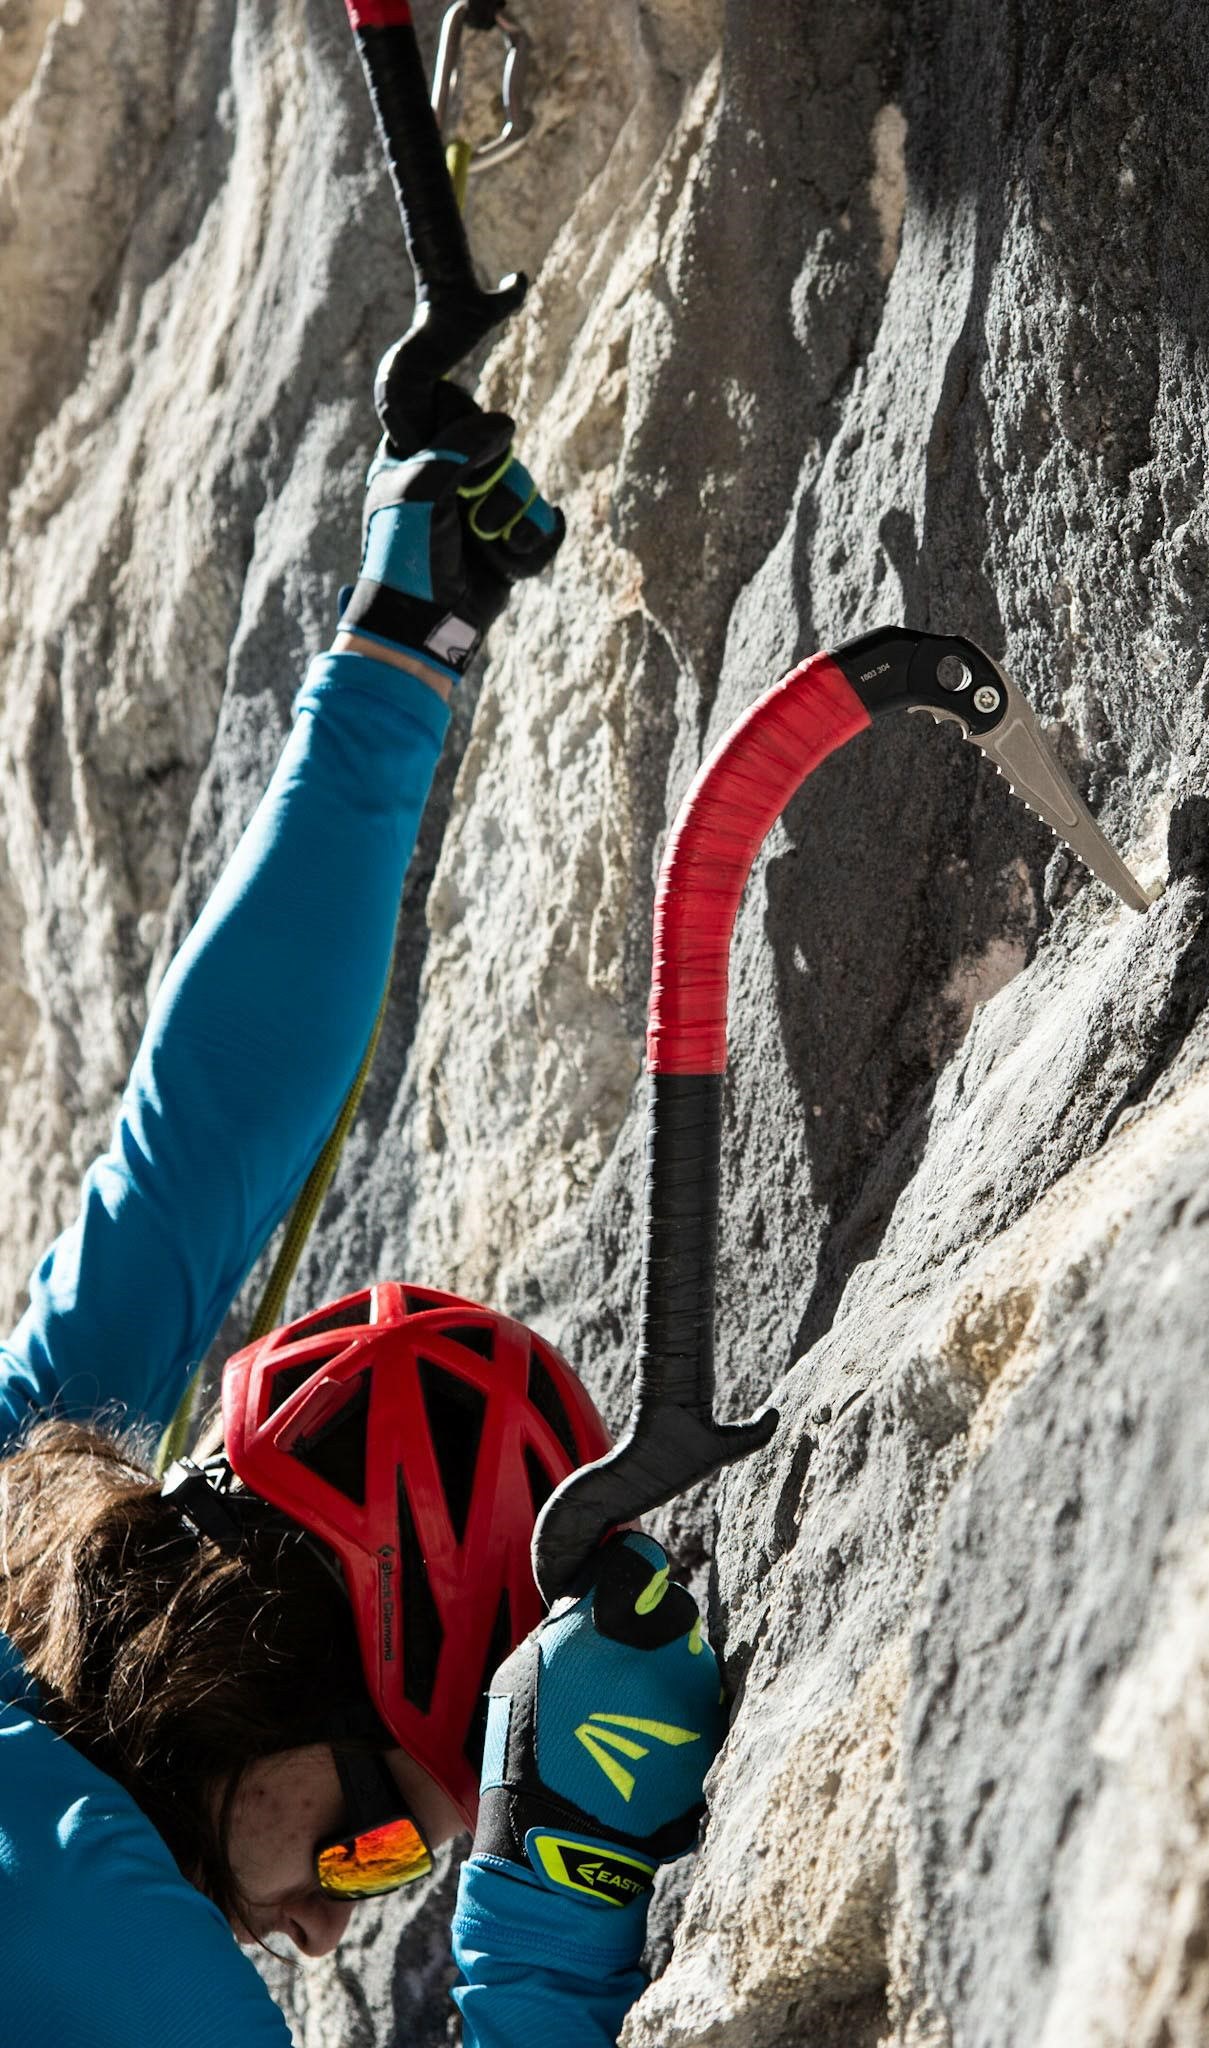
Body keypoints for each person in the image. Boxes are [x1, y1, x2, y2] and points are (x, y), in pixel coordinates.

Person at [0, 385, 723, 2045]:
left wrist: (415, 626)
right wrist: (553, 1929)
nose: (330, 1920)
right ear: (289, 1656)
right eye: (384, 1830)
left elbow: (203, 1142)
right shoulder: (112, 1948)